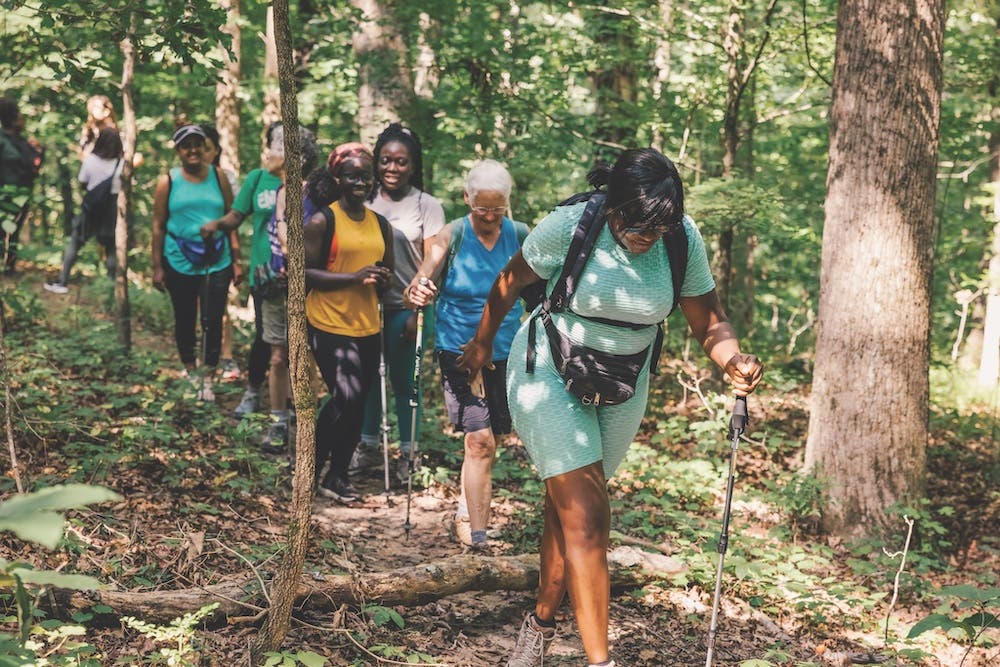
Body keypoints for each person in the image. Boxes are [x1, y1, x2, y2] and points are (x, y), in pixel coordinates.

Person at [456, 148, 763, 667]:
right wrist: (482, 345)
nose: (645, 237)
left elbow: (709, 320)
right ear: (613, 204)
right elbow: (509, 282)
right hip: (548, 371)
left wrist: (732, 359)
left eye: (656, 229)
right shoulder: (570, 226)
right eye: (635, 225)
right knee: (589, 518)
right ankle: (601, 661)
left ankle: (539, 629)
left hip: (624, 383)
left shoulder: (680, 237)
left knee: (569, 512)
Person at [404, 159, 527, 550]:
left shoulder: (522, 235)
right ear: (466, 199)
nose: (490, 217)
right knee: (480, 441)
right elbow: (418, 284)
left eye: (498, 209)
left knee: (493, 440)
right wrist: (419, 291)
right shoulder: (450, 235)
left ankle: (464, 507)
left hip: (507, 351)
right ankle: (477, 537)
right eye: (481, 209)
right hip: (460, 350)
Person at [204, 123, 318, 451]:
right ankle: (263, 403)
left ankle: (303, 413)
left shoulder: (310, 186)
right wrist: (216, 225)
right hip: (266, 276)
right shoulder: (257, 179)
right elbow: (236, 216)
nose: (273, 150)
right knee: (269, 345)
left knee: (306, 349)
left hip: (306, 280)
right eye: (272, 143)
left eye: (281, 145)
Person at [355, 123, 445, 481]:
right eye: (385, 161)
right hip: (365, 305)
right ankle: (368, 448)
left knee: (405, 382)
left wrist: (416, 306)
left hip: (408, 308)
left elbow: (434, 257)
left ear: (413, 165)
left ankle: (409, 455)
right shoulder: (363, 199)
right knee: (366, 379)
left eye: (401, 162)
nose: (392, 168)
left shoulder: (427, 205)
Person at [305, 143, 393, 503]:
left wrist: (381, 279)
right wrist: (354, 277)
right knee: (345, 396)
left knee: (358, 403)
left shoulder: (381, 224)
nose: (361, 182)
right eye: (353, 176)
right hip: (327, 321)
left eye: (366, 177)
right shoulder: (322, 220)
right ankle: (311, 466)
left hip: (367, 323)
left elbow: (387, 271)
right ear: (338, 179)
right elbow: (305, 274)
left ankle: (337, 475)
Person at [151, 124, 236, 402]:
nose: (193, 150)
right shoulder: (168, 181)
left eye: (198, 144)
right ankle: (190, 371)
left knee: (213, 317)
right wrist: (157, 266)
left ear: (205, 147)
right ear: (178, 151)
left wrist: (238, 259)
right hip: (178, 258)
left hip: (217, 257)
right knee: (185, 317)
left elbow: (231, 218)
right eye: (186, 146)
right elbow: (158, 226)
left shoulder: (219, 176)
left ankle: (208, 379)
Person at [45, 127, 124, 293]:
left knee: (75, 241)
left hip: (91, 209)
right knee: (110, 247)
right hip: (111, 211)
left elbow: (82, 182)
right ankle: (112, 289)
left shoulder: (91, 160)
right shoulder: (121, 163)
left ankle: (62, 281)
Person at [201, 124, 242, 380]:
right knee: (197, 306)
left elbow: (233, 219)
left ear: (216, 150)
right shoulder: (180, 177)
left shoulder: (225, 177)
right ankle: (202, 358)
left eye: (207, 148)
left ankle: (225, 356)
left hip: (220, 252)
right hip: (189, 254)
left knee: (220, 306)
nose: (202, 153)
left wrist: (237, 260)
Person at [0, 97, 44, 275]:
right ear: (11, 117)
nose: (23, 119)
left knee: (14, 231)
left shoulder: (24, 141)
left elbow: (34, 166)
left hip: (22, 194)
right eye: (19, 115)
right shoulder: (3, 140)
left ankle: (9, 267)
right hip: (5, 194)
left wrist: (39, 153)